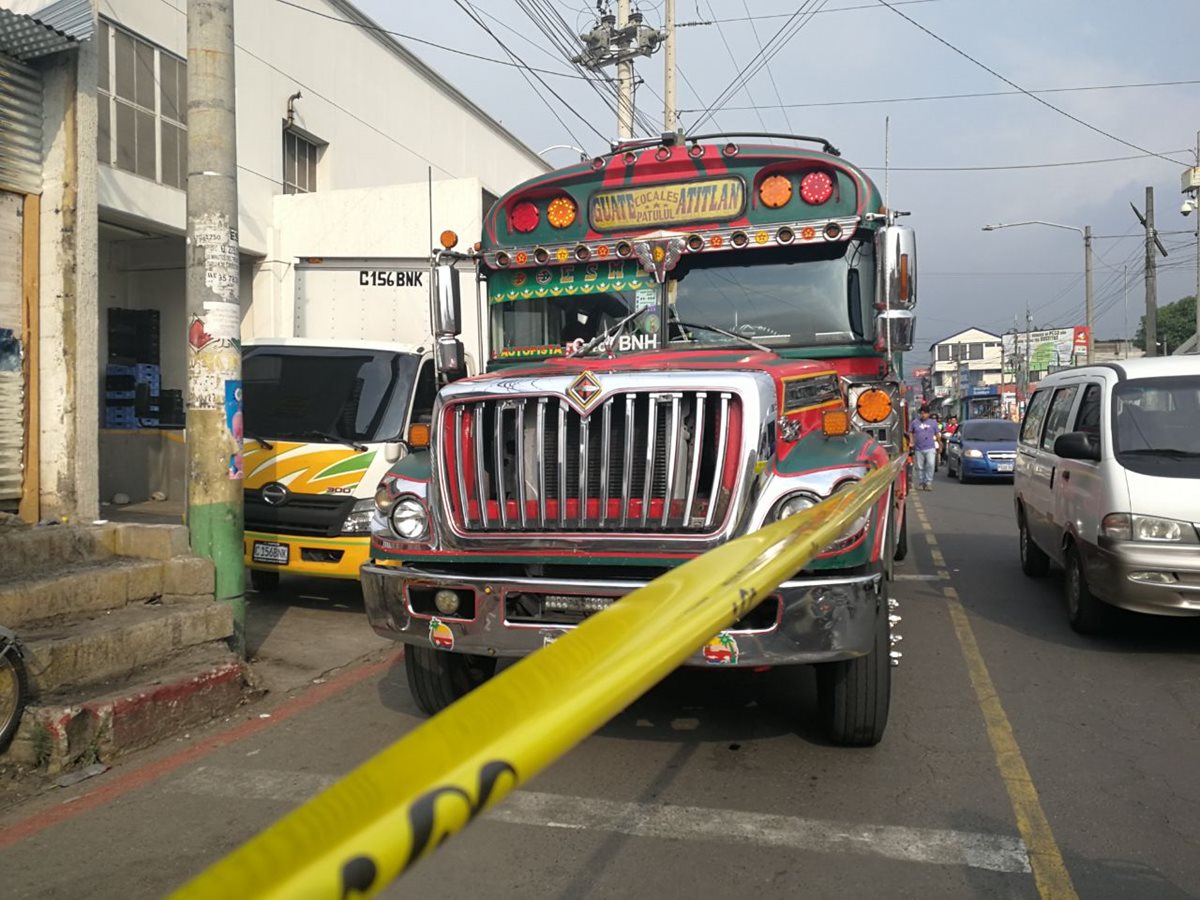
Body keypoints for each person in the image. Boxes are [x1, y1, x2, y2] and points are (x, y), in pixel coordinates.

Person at [908, 405, 941, 491]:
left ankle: (928, 483)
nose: (923, 415)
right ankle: (921, 482)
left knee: (930, 464)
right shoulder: (915, 422)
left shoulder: (933, 422)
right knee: (919, 467)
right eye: (921, 413)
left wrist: (940, 443)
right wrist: (911, 441)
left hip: (930, 447)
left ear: (928, 414)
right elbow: (910, 432)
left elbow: (937, 434)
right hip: (919, 448)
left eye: (925, 413)